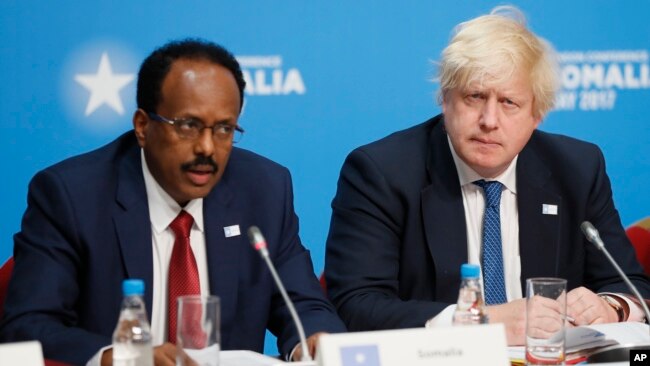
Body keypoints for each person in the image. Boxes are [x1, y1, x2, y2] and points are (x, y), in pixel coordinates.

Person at [0, 38, 345, 365]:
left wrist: (311, 340)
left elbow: (302, 303)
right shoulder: (72, 196)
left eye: (225, 129)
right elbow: (29, 326)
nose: (207, 148)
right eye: (188, 126)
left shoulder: (264, 189)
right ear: (142, 126)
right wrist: (122, 357)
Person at [324, 6, 650, 345]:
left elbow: (630, 286)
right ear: (445, 99)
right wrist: (483, 323)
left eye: (509, 102)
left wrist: (611, 307)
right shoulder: (382, 172)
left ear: (537, 114)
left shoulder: (578, 169)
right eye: (475, 96)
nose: (489, 120)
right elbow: (356, 305)